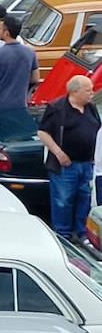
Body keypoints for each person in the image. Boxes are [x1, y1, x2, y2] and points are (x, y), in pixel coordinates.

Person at [40, 76, 100, 240]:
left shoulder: (91, 108)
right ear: (75, 91)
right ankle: (62, 235)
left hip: (88, 164)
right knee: (63, 201)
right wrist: (59, 153)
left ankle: (83, 234)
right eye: (88, 90)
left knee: (85, 199)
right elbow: (43, 132)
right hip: (66, 166)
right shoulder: (57, 108)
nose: (92, 93)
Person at [0, 15, 40, 113]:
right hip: (20, 104)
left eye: (0, 29)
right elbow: (35, 79)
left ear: (6, 33)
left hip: (0, 104)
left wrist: (1, 79)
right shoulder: (30, 52)